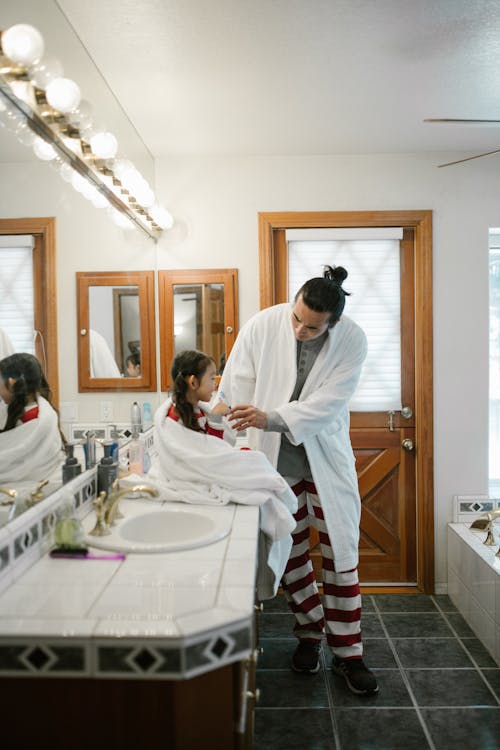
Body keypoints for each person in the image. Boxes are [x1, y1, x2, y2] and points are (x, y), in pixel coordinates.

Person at [216, 265, 378, 696]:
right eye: (296, 318)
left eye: (312, 326)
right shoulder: (263, 324)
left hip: (323, 460)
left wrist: (272, 417)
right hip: (272, 463)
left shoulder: (352, 340)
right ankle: (309, 632)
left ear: (333, 323)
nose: (300, 330)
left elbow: (329, 404)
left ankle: (349, 653)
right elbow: (232, 387)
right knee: (287, 554)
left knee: (340, 557)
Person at [144, 349, 298, 600]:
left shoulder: (198, 410)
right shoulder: (174, 417)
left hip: (203, 470)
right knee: (258, 464)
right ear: (193, 382)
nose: (216, 383)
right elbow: (200, 456)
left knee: (257, 464)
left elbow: (215, 449)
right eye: (212, 377)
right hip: (187, 479)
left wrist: (216, 419)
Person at [0, 353, 65, 484]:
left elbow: (12, 459)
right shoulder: (42, 409)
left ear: (12, 384)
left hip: (29, 485)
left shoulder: (29, 417)